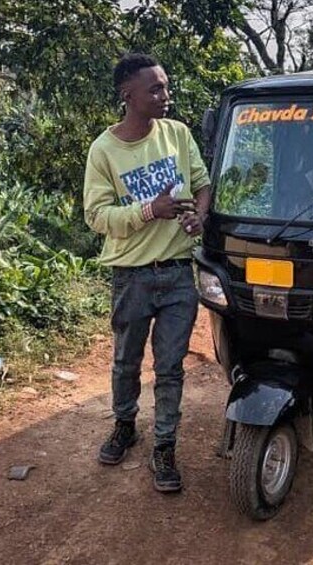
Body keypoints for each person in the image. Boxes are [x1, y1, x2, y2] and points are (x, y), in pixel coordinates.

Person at [83, 53, 211, 493]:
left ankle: (165, 446)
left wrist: (200, 217)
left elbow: (202, 183)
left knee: (171, 367)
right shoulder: (104, 150)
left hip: (178, 274)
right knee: (126, 361)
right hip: (131, 276)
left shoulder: (178, 135)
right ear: (128, 95)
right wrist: (148, 210)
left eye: (165, 86)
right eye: (155, 89)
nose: (165, 95)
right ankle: (124, 425)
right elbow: (97, 216)